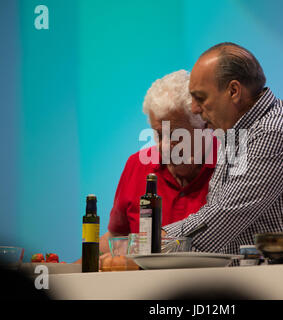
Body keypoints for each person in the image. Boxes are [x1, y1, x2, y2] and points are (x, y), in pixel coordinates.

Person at [162, 43, 283, 255]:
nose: (195, 109)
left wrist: (151, 242)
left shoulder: (274, 132)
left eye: (201, 98)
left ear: (233, 91)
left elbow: (223, 219)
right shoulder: (238, 131)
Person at [74, 70, 217, 264]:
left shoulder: (229, 162)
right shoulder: (137, 165)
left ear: (204, 129)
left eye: (175, 135)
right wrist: (71, 270)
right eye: (159, 134)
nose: (164, 145)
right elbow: (117, 237)